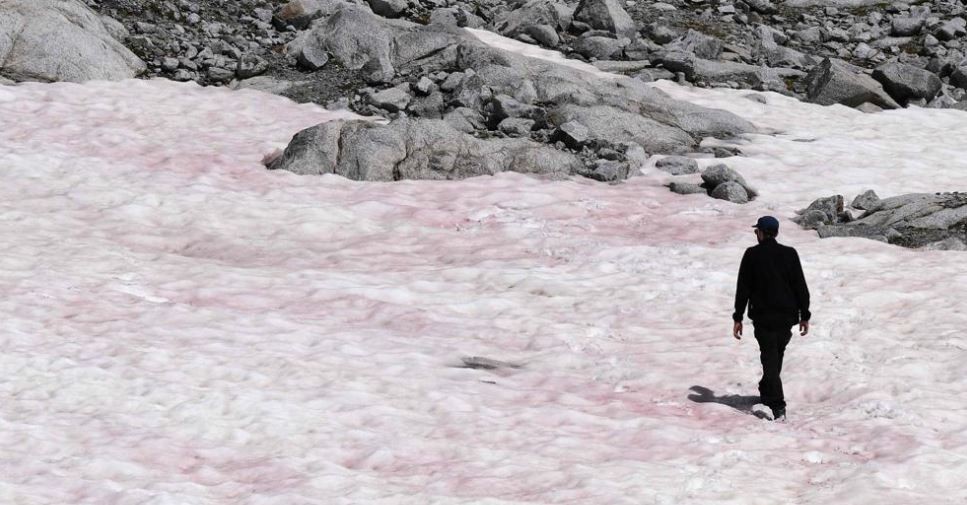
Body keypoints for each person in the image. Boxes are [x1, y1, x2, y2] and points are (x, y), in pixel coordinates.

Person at [732, 216, 811, 421]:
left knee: (770, 358)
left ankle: (777, 405)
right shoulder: (790, 254)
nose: (755, 234)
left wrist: (738, 317)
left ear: (761, 232)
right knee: (775, 355)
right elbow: (800, 287)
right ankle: (767, 389)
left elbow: (743, 289)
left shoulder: (752, 254)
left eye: (756, 231)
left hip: (764, 317)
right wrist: (805, 315)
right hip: (786, 317)